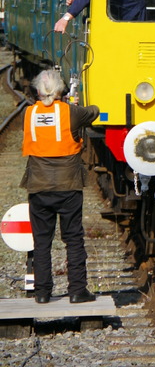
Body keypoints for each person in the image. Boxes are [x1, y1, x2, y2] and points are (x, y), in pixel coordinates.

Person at [20, 69, 100, 304]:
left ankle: (42, 293)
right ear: (60, 91)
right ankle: (77, 290)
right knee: (73, 238)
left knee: (42, 241)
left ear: (37, 91)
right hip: (68, 186)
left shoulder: (28, 113)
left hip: (38, 186)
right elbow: (92, 113)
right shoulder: (70, 111)